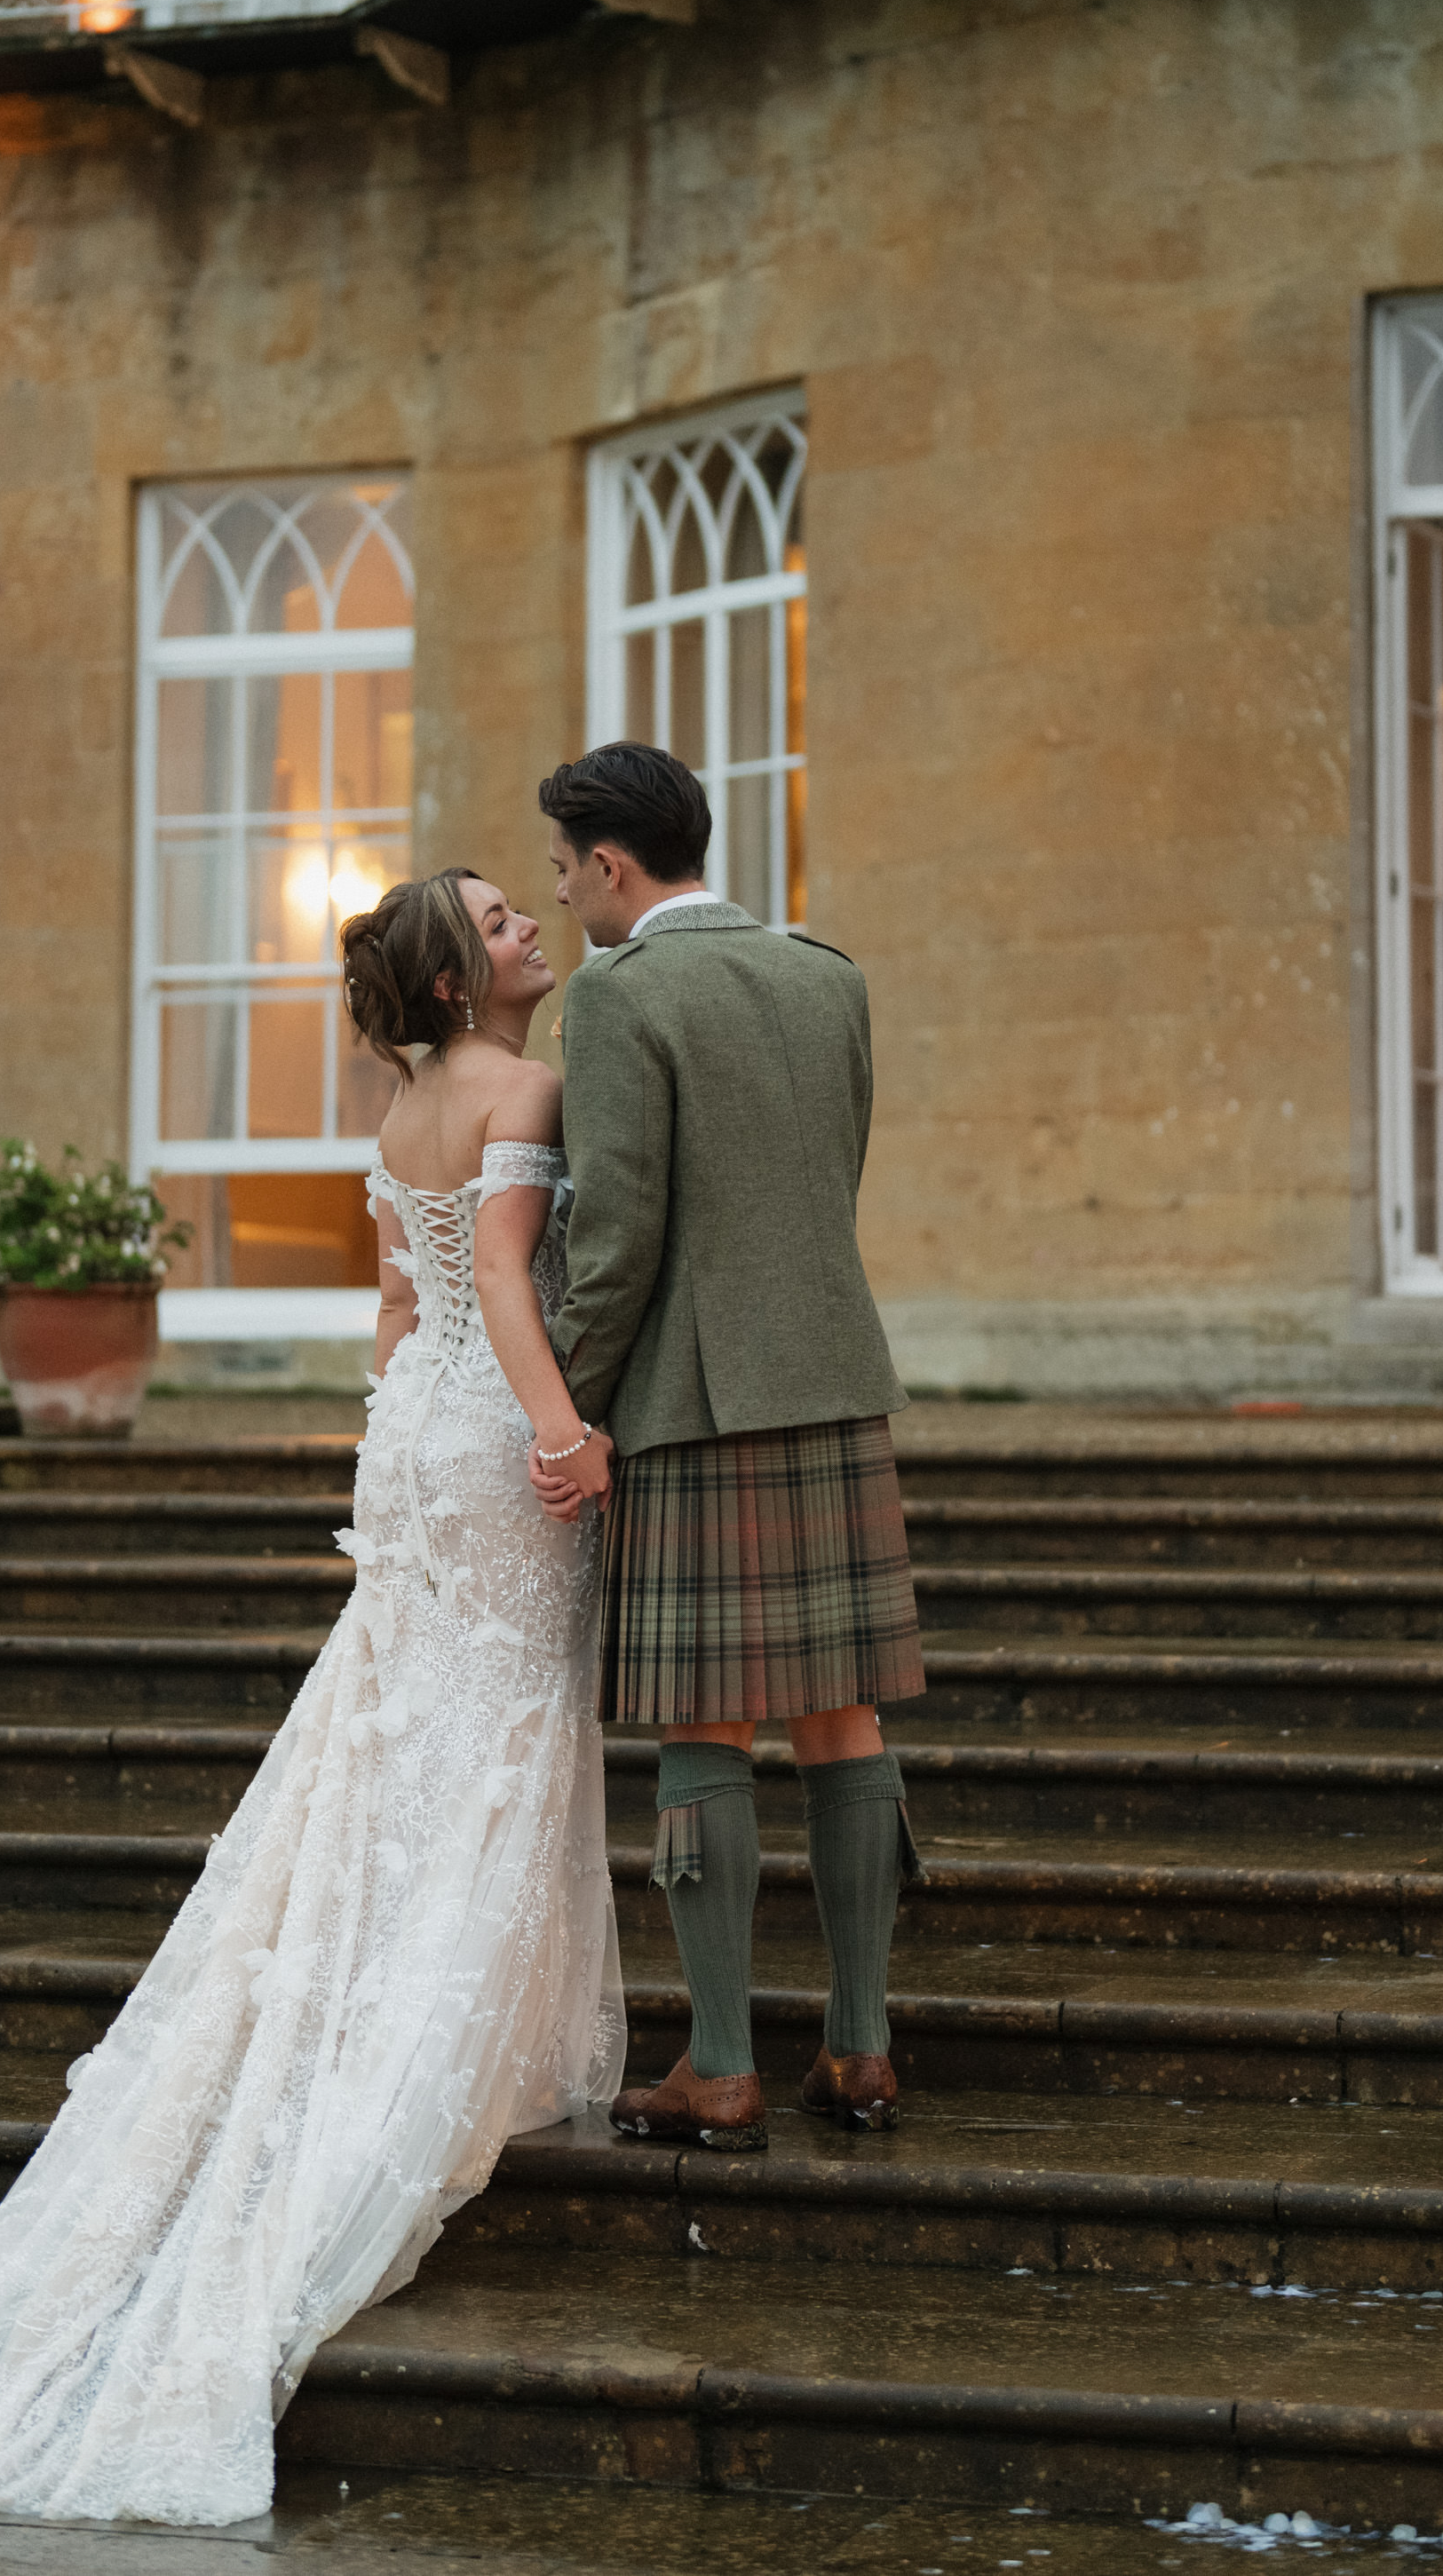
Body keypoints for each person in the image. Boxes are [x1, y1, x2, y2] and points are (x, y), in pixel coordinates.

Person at [0, 870, 622, 2528]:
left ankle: (415, 2007)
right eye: (496, 925)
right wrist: (562, 1432)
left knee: (404, 1743)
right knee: (496, 1738)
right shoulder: (524, 1086)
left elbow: (396, 1303)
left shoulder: (403, 1097)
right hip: (492, 1435)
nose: (526, 933)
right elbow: (493, 1281)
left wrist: (406, 1430)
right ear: (446, 980)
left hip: (410, 1439)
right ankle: (438, 2052)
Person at [530, 743, 924, 2155]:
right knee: (842, 1717)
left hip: (695, 1398)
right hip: (831, 1379)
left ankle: (718, 2065)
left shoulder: (621, 992)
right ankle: (862, 2053)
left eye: (564, 868)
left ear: (612, 865)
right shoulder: (829, 976)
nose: (563, 894)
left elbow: (619, 1234)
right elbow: (834, 1171)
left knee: (706, 1724)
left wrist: (565, 1403)